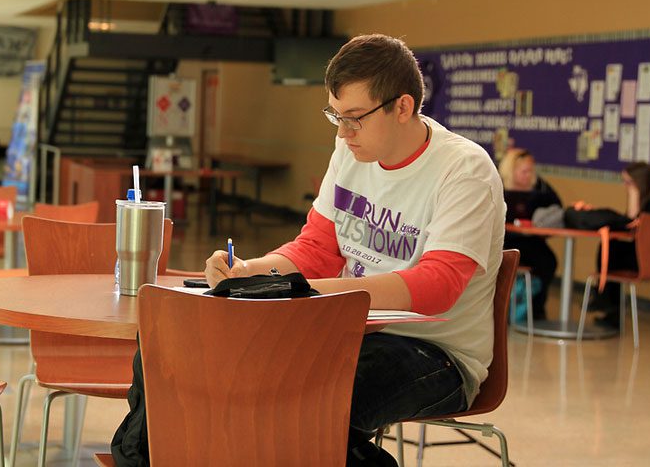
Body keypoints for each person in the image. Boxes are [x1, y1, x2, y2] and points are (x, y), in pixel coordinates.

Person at [205, 34, 505, 467]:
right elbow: (317, 248)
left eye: (355, 117)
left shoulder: (464, 169)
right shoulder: (350, 153)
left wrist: (302, 291)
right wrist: (253, 272)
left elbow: (437, 287)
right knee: (247, 380)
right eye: (335, 116)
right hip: (350, 332)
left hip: (436, 354)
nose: (344, 133)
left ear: (403, 107)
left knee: (310, 405)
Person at [589, 161, 650, 327]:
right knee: (612, 247)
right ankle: (606, 302)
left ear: (638, 182)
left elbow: (631, 226)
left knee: (608, 247)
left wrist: (633, 195)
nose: (625, 186)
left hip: (645, 260)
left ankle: (604, 298)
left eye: (628, 182)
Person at [498, 148, 563, 320]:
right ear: (512, 171)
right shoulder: (499, 188)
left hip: (532, 240)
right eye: (524, 171)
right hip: (505, 240)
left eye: (530, 171)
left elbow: (557, 208)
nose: (528, 175)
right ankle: (505, 309)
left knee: (549, 261)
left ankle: (536, 308)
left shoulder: (540, 188)